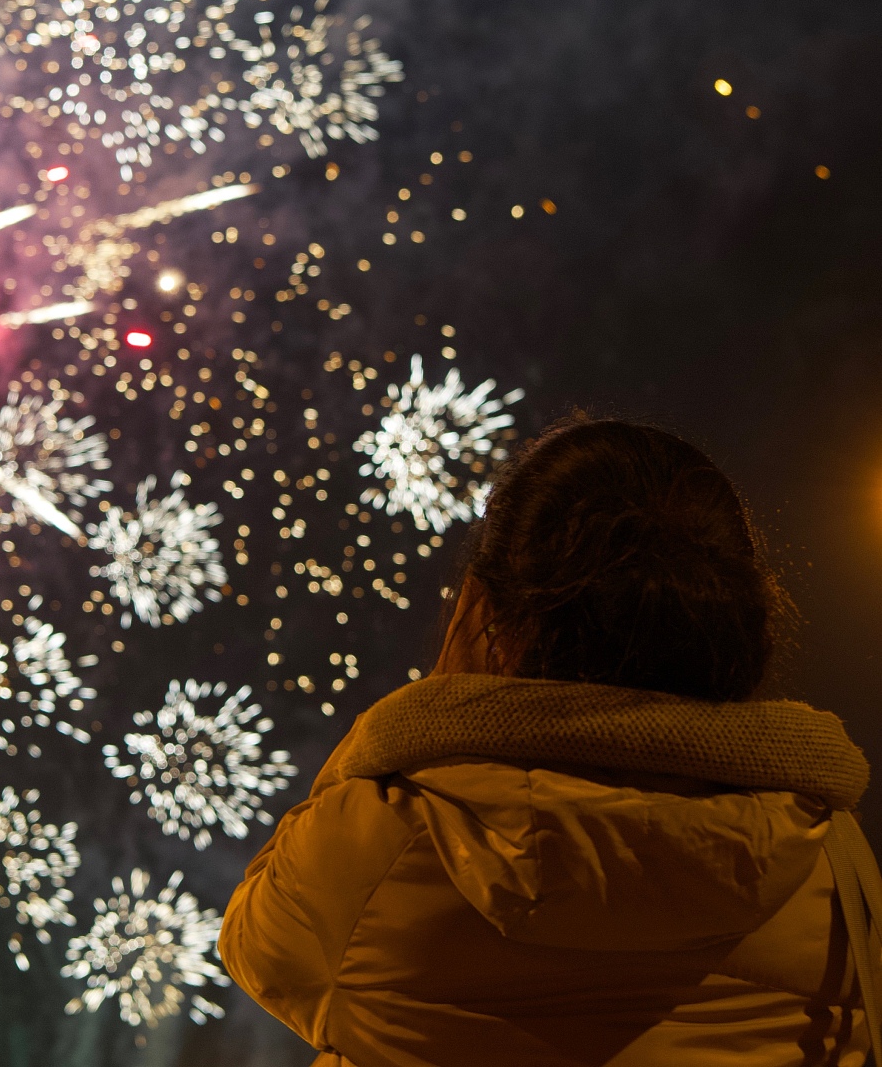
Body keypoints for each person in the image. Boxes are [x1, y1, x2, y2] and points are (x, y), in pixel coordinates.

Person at [220, 417, 873, 1066]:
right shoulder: (832, 862)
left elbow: (253, 943)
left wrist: (406, 727)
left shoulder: (381, 841)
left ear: (485, 611)